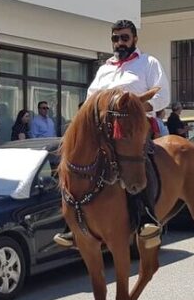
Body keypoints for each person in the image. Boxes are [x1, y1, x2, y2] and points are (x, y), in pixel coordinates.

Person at [54, 19, 169, 249]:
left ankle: (146, 218)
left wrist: (134, 110)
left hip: (134, 127)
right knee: (76, 161)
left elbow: (162, 96)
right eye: (115, 38)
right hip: (104, 131)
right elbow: (89, 100)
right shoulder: (104, 69)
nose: (119, 42)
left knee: (136, 158)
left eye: (124, 37)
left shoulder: (148, 62)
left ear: (134, 39)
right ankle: (72, 224)